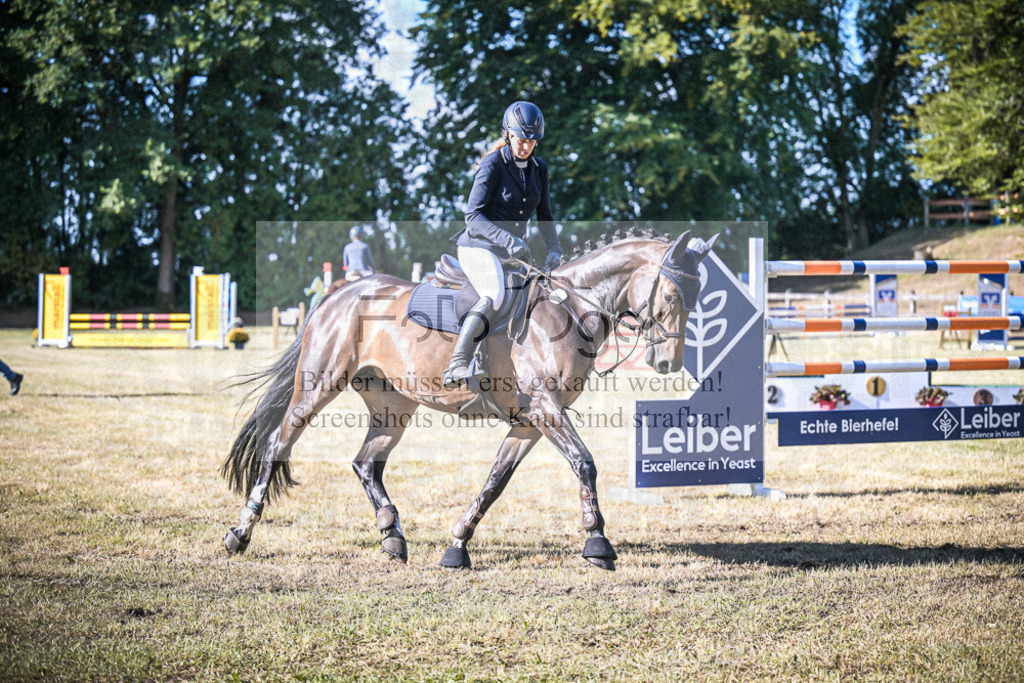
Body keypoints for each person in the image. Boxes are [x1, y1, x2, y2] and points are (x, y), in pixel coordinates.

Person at [443, 100, 563, 389]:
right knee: (494, 294)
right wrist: (509, 240)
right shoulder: (492, 163)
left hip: (513, 251)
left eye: (532, 142)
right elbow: (473, 216)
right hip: (478, 247)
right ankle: (457, 363)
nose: (526, 147)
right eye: (521, 140)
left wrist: (554, 248)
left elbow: (544, 215)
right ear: (509, 135)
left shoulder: (539, 169)